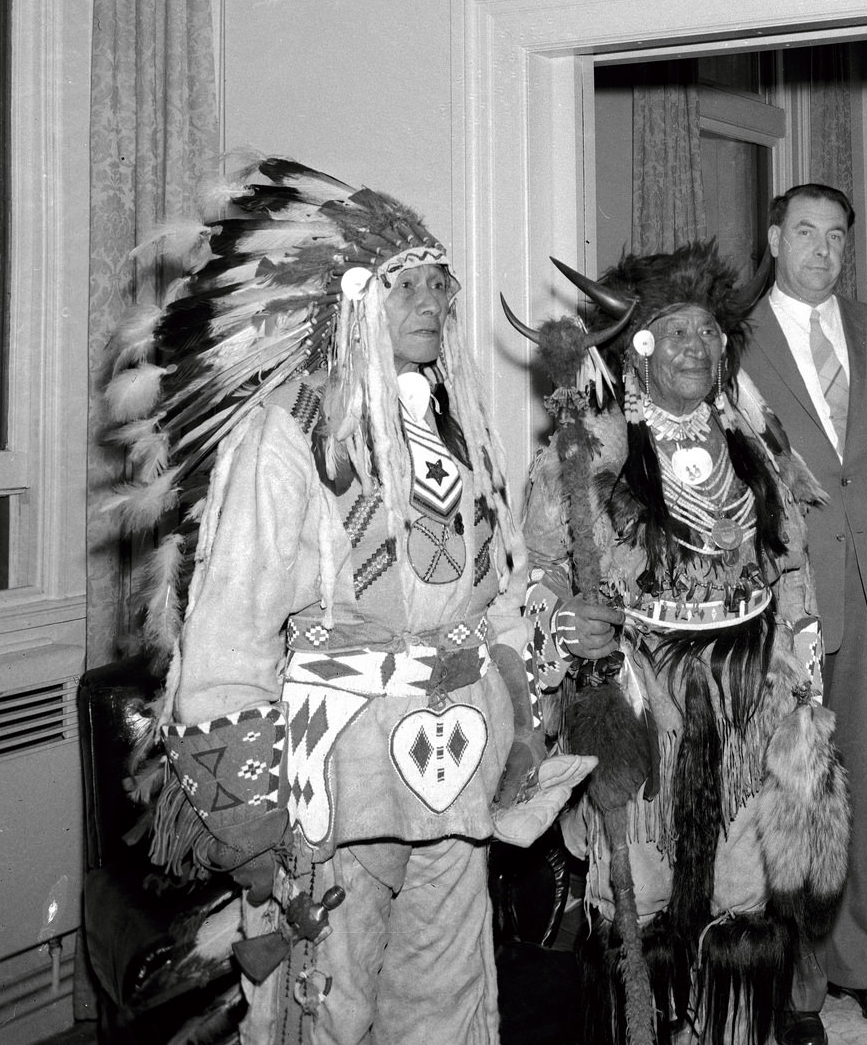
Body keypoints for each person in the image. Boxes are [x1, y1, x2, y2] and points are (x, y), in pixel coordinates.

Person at [110, 159, 563, 1045]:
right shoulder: (286, 439)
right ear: (353, 301)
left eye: (442, 285)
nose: (434, 302)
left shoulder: (459, 428)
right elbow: (229, 635)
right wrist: (249, 821)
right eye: (408, 287)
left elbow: (499, 589)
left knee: (448, 981)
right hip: (340, 771)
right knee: (327, 994)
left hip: (456, 762)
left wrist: (522, 699)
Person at [515, 246, 849, 1045]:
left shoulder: (753, 441)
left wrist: (803, 670)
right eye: (677, 331)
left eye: (709, 331)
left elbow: (788, 563)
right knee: (646, 874)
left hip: (746, 689)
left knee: (741, 876)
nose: (698, 346)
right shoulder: (589, 449)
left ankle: (727, 1026)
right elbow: (546, 572)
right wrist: (576, 632)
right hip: (645, 692)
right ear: (637, 348)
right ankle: (649, 1024)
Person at [740, 185, 867, 1041]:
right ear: (774, 238)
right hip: (790, 598)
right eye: (804, 233)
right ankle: (799, 988)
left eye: (836, 235)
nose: (821, 250)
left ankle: (864, 962)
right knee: (799, 794)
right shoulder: (733, 338)